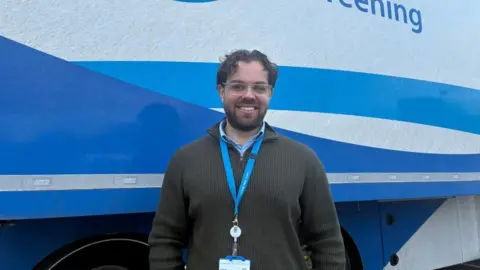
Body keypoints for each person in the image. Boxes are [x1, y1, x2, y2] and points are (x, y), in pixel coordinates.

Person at [148, 49, 346, 270]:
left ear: (270, 93)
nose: (249, 95)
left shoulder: (303, 160)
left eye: (259, 87)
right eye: (238, 86)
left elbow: (328, 243)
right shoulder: (185, 160)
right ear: (221, 91)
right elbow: (164, 242)